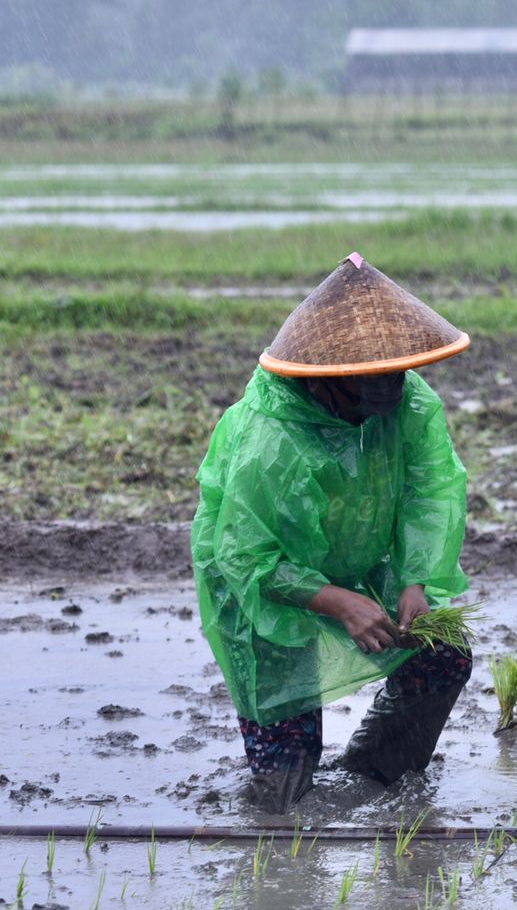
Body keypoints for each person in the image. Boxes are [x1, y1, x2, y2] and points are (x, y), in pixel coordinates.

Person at [191, 253, 475, 813]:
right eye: (373, 380)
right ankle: (279, 814)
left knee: (442, 653)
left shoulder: (409, 404)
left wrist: (415, 580)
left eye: (396, 371)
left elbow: (431, 491)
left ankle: (373, 773)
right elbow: (247, 557)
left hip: (359, 558)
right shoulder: (271, 438)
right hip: (263, 589)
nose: (391, 390)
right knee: (284, 787)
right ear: (328, 379)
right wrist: (338, 603)